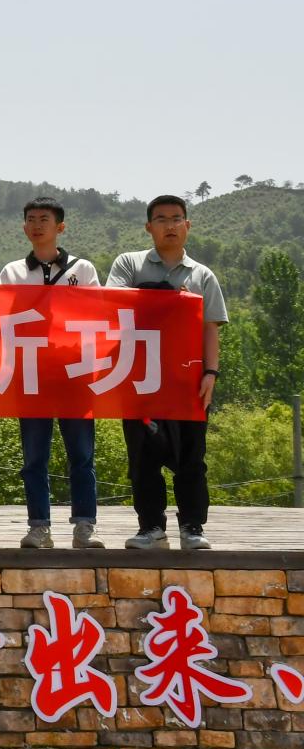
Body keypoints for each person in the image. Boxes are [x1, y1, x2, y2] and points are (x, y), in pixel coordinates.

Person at [111, 195, 228, 552]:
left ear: (187, 225)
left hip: (187, 381)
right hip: (140, 379)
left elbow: (210, 328)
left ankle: (192, 527)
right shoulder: (129, 264)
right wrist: (168, 295)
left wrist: (211, 373)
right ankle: (151, 527)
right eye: (161, 219)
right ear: (149, 227)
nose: (170, 225)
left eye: (177, 218)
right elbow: (115, 303)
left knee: (191, 457)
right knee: (143, 458)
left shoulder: (202, 275)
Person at [0, 196, 104, 550]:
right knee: (34, 457)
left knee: (82, 455)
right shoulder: (12, 272)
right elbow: (4, 321)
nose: (37, 225)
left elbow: (97, 316)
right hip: (31, 374)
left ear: (60, 226)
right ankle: (39, 527)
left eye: (44, 218)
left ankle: (84, 527)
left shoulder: (83, 270)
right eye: (31, 219)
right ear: (23, 226)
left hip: (75, 373)